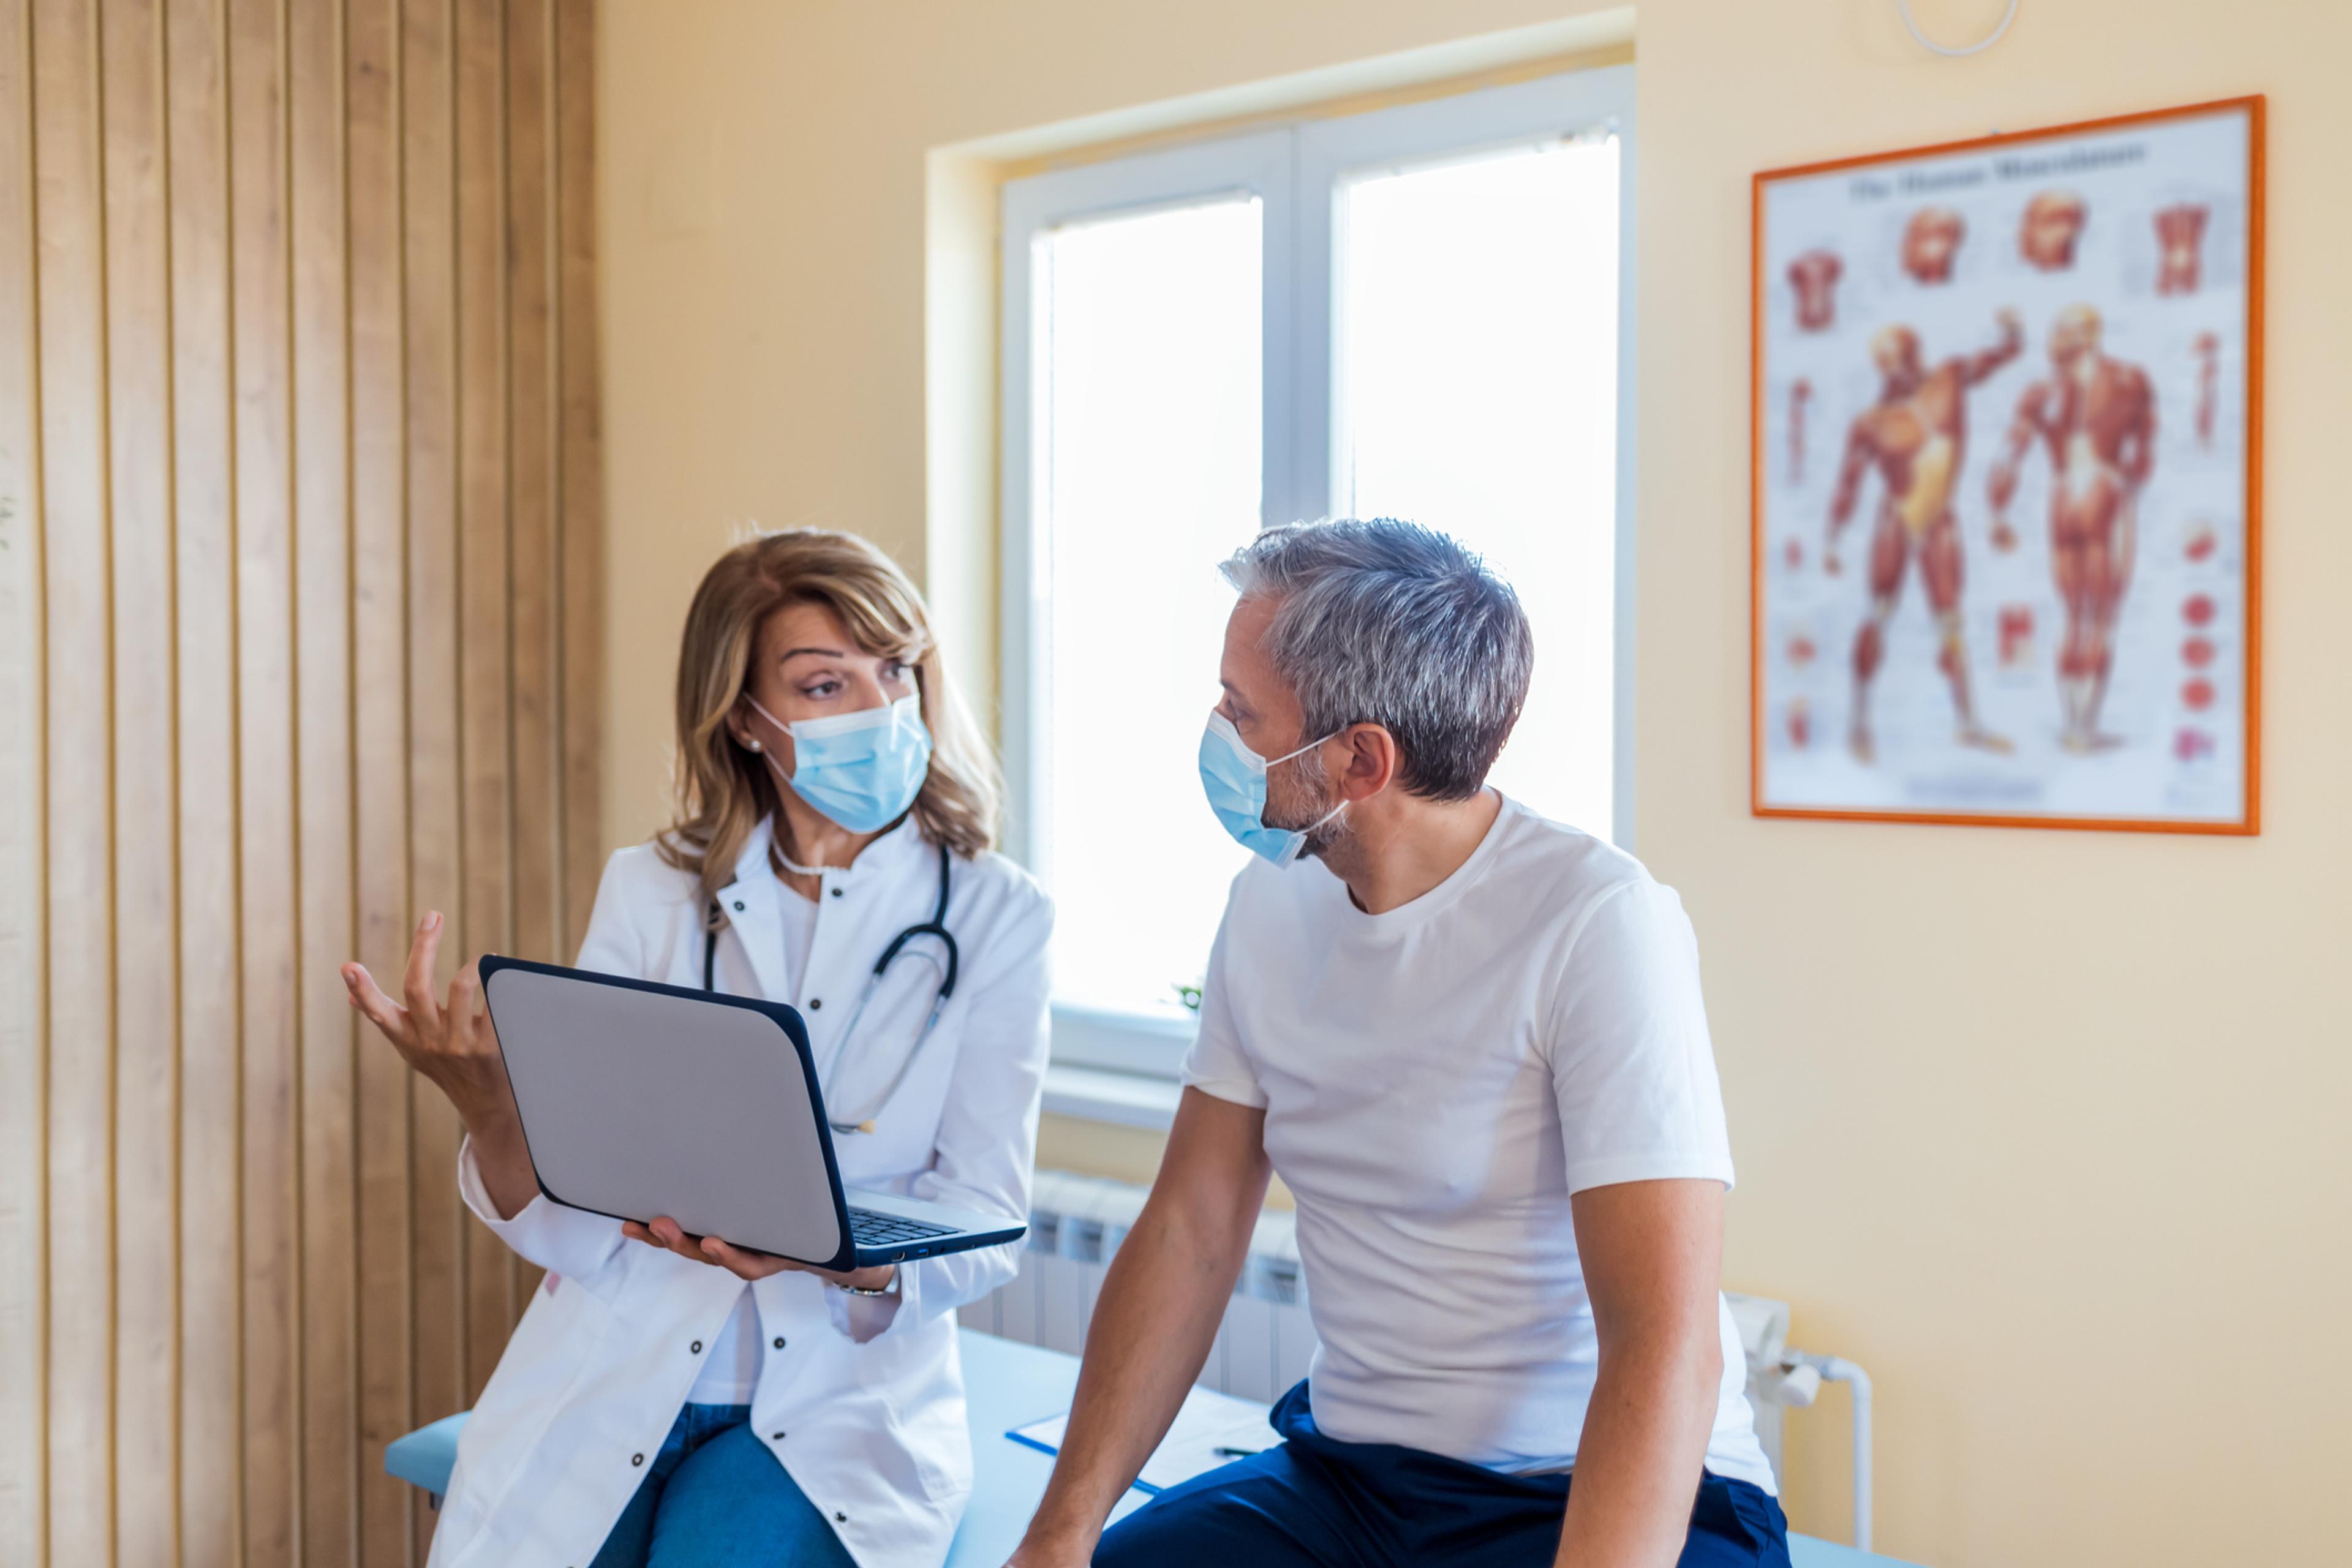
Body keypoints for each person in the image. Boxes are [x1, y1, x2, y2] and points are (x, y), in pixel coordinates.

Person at [1005, 520, 1787, 1568]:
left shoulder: (1598, 923)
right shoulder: (1268, 905)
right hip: (1355, 1484)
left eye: (1243, 713)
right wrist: (1057, 1539)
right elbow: (1190, 1229)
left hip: (1590, 1490)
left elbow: (1664, 1343)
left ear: (1361, 759)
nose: (1217, 733)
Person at [342, 529, 1052, 1568]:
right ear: (745, 718)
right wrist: (491, 1108)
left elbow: (989, 1219)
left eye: (895, 670)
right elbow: (578, 1211)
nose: (881, 709)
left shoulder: (996, 915)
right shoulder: (653, 889)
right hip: (621, 1361)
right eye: (826, 685)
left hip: (837, 1407)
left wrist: (838, 1257)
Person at [1825, 312, 2023, 763]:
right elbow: (1848, 483)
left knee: (1951, 622)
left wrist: (2012, 335)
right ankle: (1859, 720)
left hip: (1939, 519)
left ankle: (1967, 721)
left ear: (1918, 353)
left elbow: (1994, 360)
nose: (1897, 367)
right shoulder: (1871, 422)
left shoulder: (1950, 379)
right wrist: (1833, 540)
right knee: (1877, 615)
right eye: (1887, 361)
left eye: (1904, 355)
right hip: (1895, 518)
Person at [1986, 304, 2156, 753]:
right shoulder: (2130, 381)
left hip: (2062, 497)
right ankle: (2084, 725)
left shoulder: (2041, 393)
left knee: (2074, 616)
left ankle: (2071, 724)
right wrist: (2128, 489)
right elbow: (2142, 456)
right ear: (2094, 335)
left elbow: (2007, 457)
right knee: (2100, 618)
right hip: (2104, 488)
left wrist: (1998, 514)